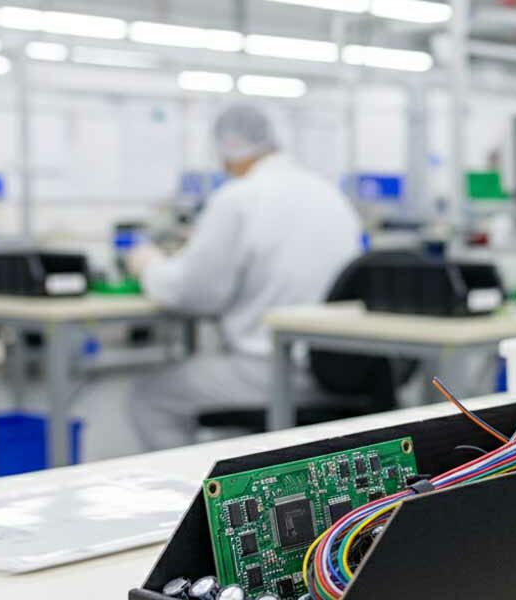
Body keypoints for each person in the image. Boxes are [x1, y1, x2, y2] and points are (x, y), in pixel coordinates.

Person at [125, 103, 362, 451]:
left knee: (150, 396)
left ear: (225, 147)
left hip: (278, 367)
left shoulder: (237, 198)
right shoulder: (329, 193)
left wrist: (148, 264)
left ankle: (189, 498)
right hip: (348, 365)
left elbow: (192, 292)